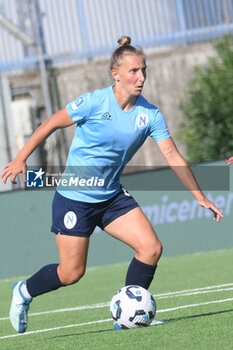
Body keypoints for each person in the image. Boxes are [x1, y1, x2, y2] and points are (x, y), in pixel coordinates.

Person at [1, 36, 224, 333]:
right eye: (133, 71)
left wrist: (199, 196)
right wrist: (20, 159)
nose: (141, 77)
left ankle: (129, 315)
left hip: (111, 197)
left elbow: (171, 154)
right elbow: (50, 123)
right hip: (75, 199)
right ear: (115, 74)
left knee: (151, 248)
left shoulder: (150, 115)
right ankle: (24, 292)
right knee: (71, 273)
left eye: (143, 70)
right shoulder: (94, 102)